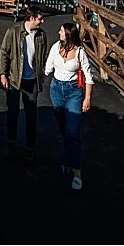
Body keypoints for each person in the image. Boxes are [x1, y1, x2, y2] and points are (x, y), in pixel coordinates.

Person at [45, 21, 95, 190]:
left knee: (73, 131)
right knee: (63, 129)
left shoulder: (80, 52)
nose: (58, 32)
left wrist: (87, 98)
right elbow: (48, 67)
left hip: (73, 92)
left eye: (61, 31)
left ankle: (77, 170)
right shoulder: (55, 47)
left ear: (68, 34)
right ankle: (67, 158)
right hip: (56, 89)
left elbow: (88, 76)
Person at [0, 8, 49, 164]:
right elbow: (4, 52)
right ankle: (11, 144)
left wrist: (42, 74)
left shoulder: (41, 35)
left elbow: (43, 56)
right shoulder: (14, 32)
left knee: (31, 115)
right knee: (13, 113)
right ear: (31, 18)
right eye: (40, 18)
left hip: (31, 80)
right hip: (14, 79)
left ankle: (29, 149)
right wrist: (3, 74)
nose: (42, 21)